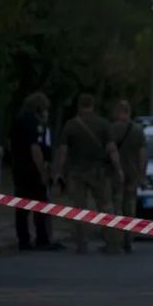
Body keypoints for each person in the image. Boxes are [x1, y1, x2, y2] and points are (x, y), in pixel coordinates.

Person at [55, 94, 124, 254]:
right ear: (93, 105)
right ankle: (111, 243)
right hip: (98, 172)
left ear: (79, 106)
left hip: (76, 172)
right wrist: (118, 169)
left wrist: (58, 172)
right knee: (105, 206)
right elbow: (111, 149)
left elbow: (63, 152)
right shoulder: (103, 124)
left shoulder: (71, 125)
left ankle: (81, 243)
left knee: (79, 208)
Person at [9, 93, 61, 251]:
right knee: (40, 202)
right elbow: (35, 149)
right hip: (32, 169)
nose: (47, 113)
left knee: (22, 206)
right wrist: (43, 172)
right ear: (39, 109)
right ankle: (42, 238)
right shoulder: (35, 124)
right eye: (45, 109)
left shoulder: (18, 121)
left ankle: (23, 240)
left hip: (18, 168)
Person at [109, 100, 147, 254]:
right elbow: (142, 154)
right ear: (128, 112)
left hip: (115, 173)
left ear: (117, 112)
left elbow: (110, 150)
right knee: (130, 207)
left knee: (116, 206)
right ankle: (128, 241)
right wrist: (142, 174)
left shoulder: (111, 129)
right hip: (132, 173)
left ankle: (115, 241)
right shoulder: (138, 130)